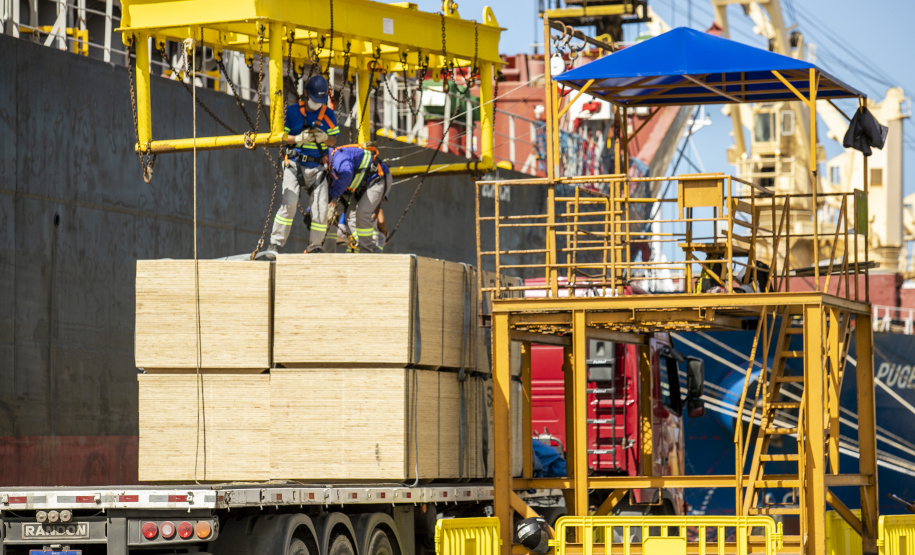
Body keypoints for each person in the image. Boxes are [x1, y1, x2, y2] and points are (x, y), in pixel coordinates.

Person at [264, 75, 339, 258]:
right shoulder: (292, 112)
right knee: (288, 204)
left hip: (317, 169)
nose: (316, 104)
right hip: (294, 164)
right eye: (314, 100)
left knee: (320, 211)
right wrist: (297, 139)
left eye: (319, 101)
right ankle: (275, 244)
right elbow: (281, 137)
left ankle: (315, 247)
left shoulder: (328, 114)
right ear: (306, 94)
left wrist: (324, 138)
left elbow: (334, 140)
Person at [328, 145, 393, 253]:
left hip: (377, 178)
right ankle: (369, 251)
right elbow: (380, 220)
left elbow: (346, 176)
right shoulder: (334, 162)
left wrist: (330, 197)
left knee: (359, 213)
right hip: (362, 186)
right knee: (356, 215)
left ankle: (366, 252)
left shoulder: (338, 159)